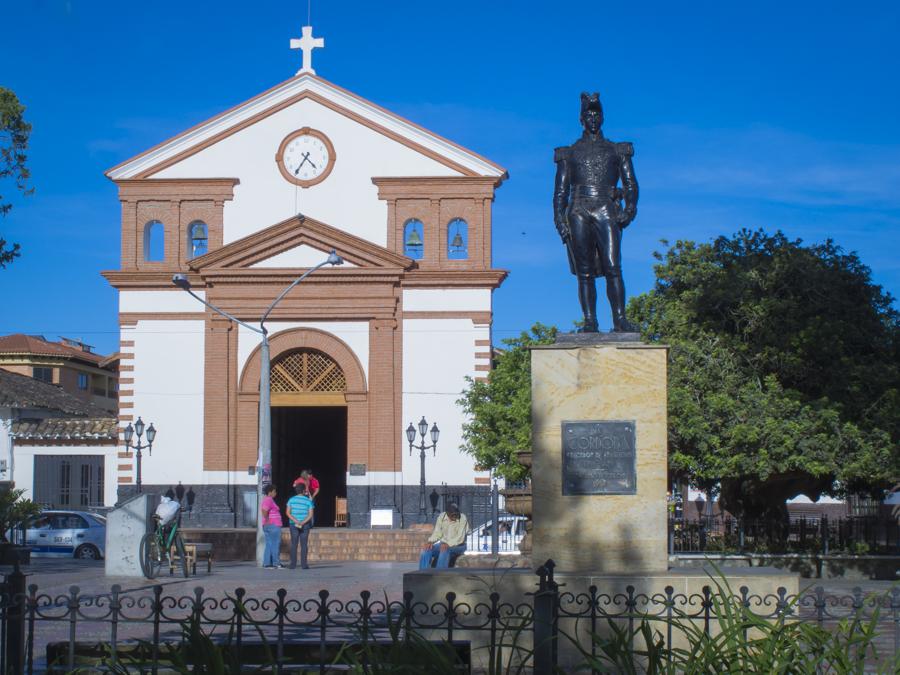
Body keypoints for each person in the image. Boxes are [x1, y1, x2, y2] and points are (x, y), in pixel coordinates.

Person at [552, 92, 639, 333]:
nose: (593, 119)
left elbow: (630, 183)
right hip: (579, 209)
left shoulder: (617, 150)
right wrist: (560, 220)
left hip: (606, 208)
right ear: (581, 119)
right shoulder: (568, 153)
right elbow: (560, 192)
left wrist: (629, 209)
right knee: (585, 271)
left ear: (602, 118)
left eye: (596, 115)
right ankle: (590, 320)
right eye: (588, 115)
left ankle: (620, 319)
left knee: (613, 266)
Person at [419, 503, 469, 569]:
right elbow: (437, 533)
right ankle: (423, 574)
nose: (455, 516)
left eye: (456, 513)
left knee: (444, 551)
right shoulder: (441, 517)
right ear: (447, 513)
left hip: (459, 546)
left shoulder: (462, 518)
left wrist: (447, 544)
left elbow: (460, 537)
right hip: (443, 544)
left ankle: (439, 576)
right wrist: (430, 542)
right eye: (452, 514)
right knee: (426, 550)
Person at [286, 482, 315, 569]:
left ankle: (293, 564)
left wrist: (296, 521)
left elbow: (287, 512)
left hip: (293, 524)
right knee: (304, 544)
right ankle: (304, 564)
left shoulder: (291, 500)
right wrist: (302, 522)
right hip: (305, 524)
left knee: (294, 544)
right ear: (304, 491)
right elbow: (310, 515)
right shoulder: (308, 501)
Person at [260, 484, 284, 569]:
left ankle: (267, 563)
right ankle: (276, 563)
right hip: (273, 525)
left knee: (269, 544)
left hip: (269, 525)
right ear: (270, 492)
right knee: (275, 544)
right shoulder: (268, 500)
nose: (275, 493)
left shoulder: (267, 500)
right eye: (274, 491)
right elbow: (264, 510)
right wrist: (267, 519)